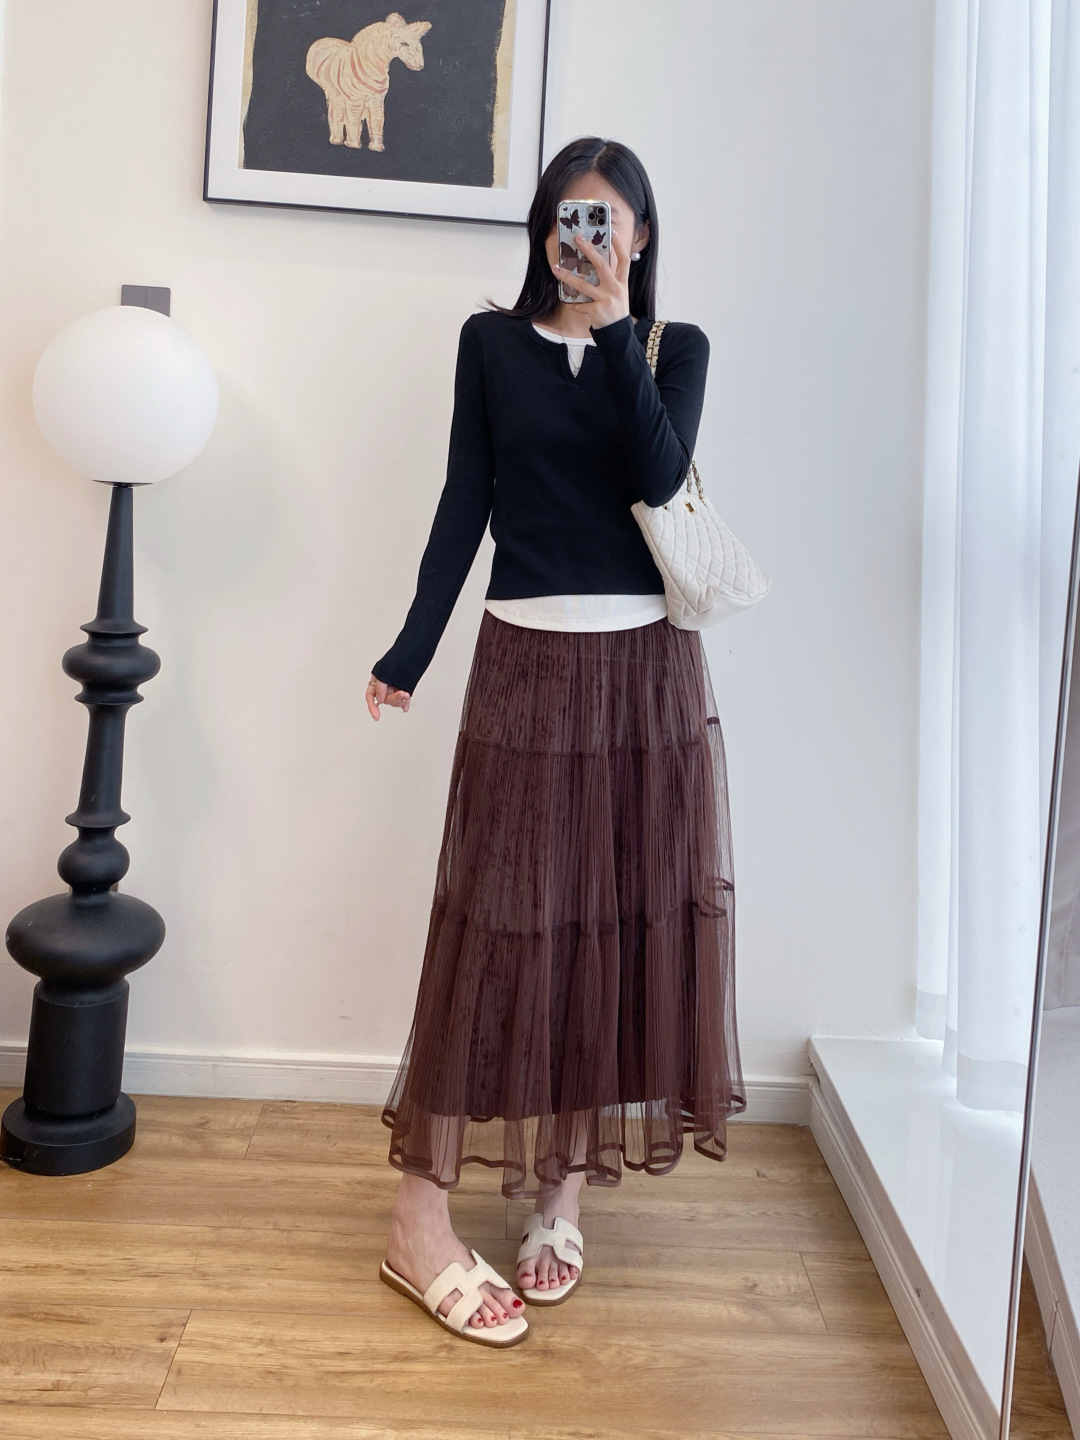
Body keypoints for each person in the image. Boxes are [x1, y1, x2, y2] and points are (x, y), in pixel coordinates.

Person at [366, 137, 745, 1348]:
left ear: (639, 236)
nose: (583, 238)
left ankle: (562, 1197)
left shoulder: (673, 349)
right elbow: (463, 501)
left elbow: (660, 477)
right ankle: (417, 1218)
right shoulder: (490, 346)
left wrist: (617, 329)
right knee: (494, 927)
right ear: (543, 229)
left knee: (610, 928)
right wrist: (410, 650)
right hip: (524, 663)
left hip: (645, 674)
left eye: (606, 221)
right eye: (567, 218)